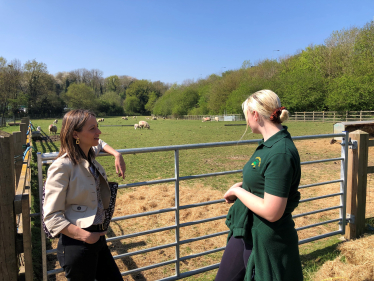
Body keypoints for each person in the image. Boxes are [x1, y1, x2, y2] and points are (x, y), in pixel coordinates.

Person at [215, 90, 303, 281]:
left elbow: (272, 212)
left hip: (265, 237)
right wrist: (245, 187)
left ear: (255, 114)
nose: (247, 121)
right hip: (246, 229)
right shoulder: (268, 144)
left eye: (247, 114)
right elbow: (261, 180)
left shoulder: (281, 153)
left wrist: (238, 191)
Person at [43, 109, 126, 281]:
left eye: (98, 126)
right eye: (92, 128)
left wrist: (117, 154)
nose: (99, 132)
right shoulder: (62, 166)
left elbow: (100, 142)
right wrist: (86, 236)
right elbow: (51, 217)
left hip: (97, 239)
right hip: (78, 243)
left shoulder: (88, 154)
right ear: (75, 134)